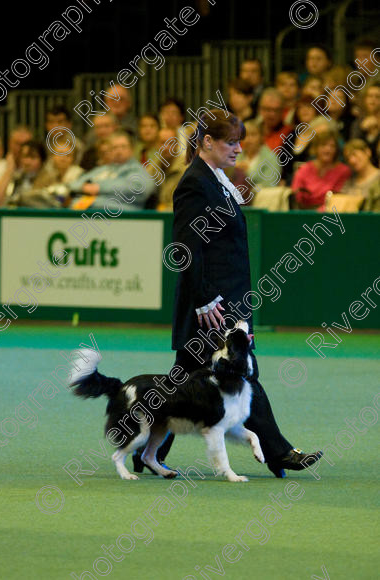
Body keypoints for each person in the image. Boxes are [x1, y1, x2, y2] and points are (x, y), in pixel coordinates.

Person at [144, 109, 322, 478]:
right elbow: (186, 247)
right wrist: (204, 298)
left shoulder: (218, 179)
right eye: (231, 141)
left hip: (227, 300)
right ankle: (280, 453)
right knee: (240, 373)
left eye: (239, 140)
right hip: (212, 304)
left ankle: (145, 449)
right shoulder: (194, 183)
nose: (239, 148)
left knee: (184, 378)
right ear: (207, 142)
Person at [68, 130, 155, 210]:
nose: (119, 151)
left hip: (124, 216)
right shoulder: (104, 169)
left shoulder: (137, 170)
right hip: (93, 212)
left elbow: (141, 189)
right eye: (114, 147)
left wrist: (100, 188)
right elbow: (74, 184)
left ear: (131, 149)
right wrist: (84, 187)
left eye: (123, 147)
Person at [291, 130, 351, 209]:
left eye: (332, 146)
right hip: (304, 213)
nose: (328, 150)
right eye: (323, 145)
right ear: (315, 148)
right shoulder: (304, 169)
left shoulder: (343, 171)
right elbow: (295, 195)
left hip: (331, 213)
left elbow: (339, 198)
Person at [0, 140, 47, 207]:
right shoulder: (15, 178)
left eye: (33, 157)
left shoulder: (49, 181)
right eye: (24, 156)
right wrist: (9, 170)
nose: (27, 162)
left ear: (42, 160)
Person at [236, 120, 282, 189]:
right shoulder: (237, 155)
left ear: (261, 137)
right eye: (246, 135)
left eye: (253, 135)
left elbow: (269, 186)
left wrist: (245, 171)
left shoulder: (271, 158)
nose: (249, 139)